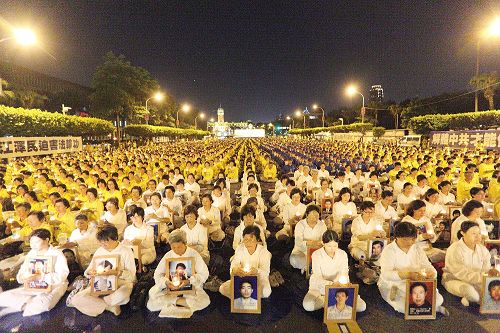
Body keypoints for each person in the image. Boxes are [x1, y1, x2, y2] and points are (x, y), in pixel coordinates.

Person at [378, 222, 448, 316]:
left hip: (417, 283)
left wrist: (432, 273)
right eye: (406, 239)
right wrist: (407, 275)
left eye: (413, 239)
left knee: (439, 299)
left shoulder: (417, 248)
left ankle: (431, 307)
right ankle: (432, 308)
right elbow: (386, 274)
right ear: (397, 237)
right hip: (395, 284)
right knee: (404, 306)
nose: (410, 242)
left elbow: (427, 265)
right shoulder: (389, 250)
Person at [69, 225, 136, 317]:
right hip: (101, 282)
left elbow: (131, 276)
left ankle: (97, 303)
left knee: (121, 295)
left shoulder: (126, 251)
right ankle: (110, 307)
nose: (103, 245)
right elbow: (88, 271)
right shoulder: (100, 251)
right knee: (76, 299)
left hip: (121, 282)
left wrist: (115, 272)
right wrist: (91, 273)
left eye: (106, 242)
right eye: (101, 242)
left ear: (115, 238)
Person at [0, 229, 69, 317]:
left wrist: (40, 277)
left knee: (43, 303)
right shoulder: (31, 253)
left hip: (53, 285)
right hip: (33, 285)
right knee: (2, 297)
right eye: (31, 242)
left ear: (47, 240)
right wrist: (24, 277)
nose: (33, 245)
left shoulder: (57, 254)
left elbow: (62, 276)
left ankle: (15, 307)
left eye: (36, 242)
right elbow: (22, 272)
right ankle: (26, 302)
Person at [147, 229, 210, 318]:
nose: (176, 250)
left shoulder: (194, 254)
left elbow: (204, 273)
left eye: (179, 247)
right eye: (173, 247)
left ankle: (172, 301)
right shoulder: (168, 255)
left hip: (190, 286)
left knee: (204, 301)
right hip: (171, 287)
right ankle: (180, 302)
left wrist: (189, 281)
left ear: (185, 244)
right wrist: (166, 282)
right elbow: (157, 274)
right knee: (151, 301)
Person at [303, 230, 366, 313]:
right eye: (329, 246)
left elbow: (344, 273)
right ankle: (332, 301)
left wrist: (344, 283)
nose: (332, 249)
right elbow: (317, 277)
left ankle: (331, 302)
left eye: (335, 246)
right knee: (308, 305)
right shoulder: (316, 255)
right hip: (320, 288)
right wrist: (331, 284)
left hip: (339, 287)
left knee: (362, 306)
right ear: (323, 243)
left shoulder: (342, 254)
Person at [442, 221, 494, 307]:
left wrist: (489, 274)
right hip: (455, 279)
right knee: (471, 293)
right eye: (473, 233)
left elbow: (486, 268)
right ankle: (470, 297)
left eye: (479, 233)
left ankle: (471, 298)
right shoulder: (454, 249)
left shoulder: (482, 249)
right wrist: (482, 277)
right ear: (463, 233)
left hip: (478, 280)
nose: (478, 236)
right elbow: (460, 273)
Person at [220, 225, 272, 299]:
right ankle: (246, 297)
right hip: (242, 278)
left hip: (258, 280)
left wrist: (256, 271)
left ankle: (245, 297)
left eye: (251, 239)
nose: (248, 242)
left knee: (265, 292)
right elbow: (235, 263)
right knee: (222, 288)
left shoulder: (264, 252)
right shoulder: (240, 248)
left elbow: (265, 272)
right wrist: (235, 269)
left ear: (257, 240)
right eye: (246, 239)